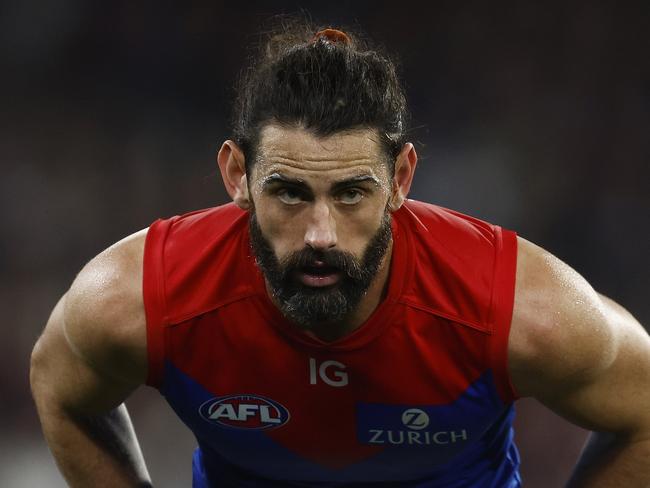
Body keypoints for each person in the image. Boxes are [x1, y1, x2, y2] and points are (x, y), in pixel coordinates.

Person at [30, 20, 650, 488]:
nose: (320, 234)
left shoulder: (517, 308)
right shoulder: (136, 299)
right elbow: (58, 385)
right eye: (290, 192)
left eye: (353, 193)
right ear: (236, 174)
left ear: (402, 178)